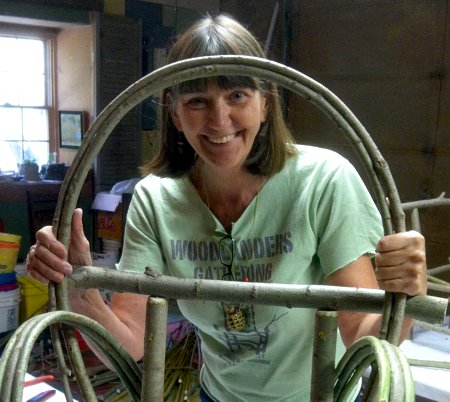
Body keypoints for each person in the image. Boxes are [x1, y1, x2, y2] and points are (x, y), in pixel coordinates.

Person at [26, 14, 427, 402]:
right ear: (175, 113)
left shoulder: (323, 181)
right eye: (197, 101)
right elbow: (130, 340)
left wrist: (406, 295)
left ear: (265, 103)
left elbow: (362, 333)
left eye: (237, 96)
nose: (219, 121)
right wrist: (80, 293)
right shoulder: (155, 200)